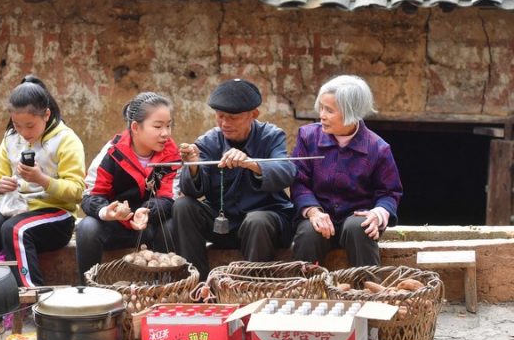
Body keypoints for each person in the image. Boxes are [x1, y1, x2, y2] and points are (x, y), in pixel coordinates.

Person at [173, 79, 296, 278]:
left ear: (254, 115)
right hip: (223, 224)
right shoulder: (209, 141)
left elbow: (286, 172)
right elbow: (191, 190)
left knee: (257, 220)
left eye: (232, 117)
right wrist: (193, 165)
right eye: (220, 116)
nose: (224, 123)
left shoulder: (271, 136)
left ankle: (248, 288)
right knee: (183, 206)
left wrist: (251, 163)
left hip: (263, 225)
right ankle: (196, 283)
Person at [0, 75, 85, 287]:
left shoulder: (66, 140)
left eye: (30, 126)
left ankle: (30, 296)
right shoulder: (10, 138)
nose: (24, 133)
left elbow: (78, 191)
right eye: (17, 125)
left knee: (14, 230)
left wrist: (43, 180)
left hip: (57, 217)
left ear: (46, 114)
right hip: (17, 209)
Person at [291, 75, 403, 266]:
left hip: (356, 217)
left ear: (351, 112)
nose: (322, 115)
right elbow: (299, 180)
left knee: (360, 227)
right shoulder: (307, 137)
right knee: (309, 232)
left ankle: (367, 289)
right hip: (319, 215)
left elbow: (389, 192)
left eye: (330, 110)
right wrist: (313, 212)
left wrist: (378, 213)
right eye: (322, 108)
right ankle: (305, 288)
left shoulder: (378, 148)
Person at [76, 92, 180, 283]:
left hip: (149, 227)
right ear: (135, 127)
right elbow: (91, 195)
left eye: (168, 125)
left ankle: (165, 286)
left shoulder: (171, 155)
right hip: (114, 228)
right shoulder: (113, 153)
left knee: (171, 223)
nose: (165, 133)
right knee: (87, 227)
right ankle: (88, 288)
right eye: (158, 126)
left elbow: (169, 197)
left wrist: (147, 211)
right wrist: (107, 212)